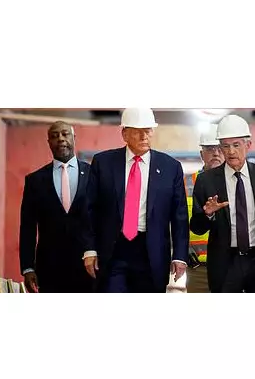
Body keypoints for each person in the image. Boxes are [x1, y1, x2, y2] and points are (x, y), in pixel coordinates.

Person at [80, 108, 189, 293]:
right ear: (124, 134)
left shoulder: (171, 168)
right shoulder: (103, 163)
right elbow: (90, 209)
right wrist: (89, 249)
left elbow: (179, 215)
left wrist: (179, 255)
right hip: (113, 250)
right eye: (138, 131)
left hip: (152, 253)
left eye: (148, 130)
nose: (144, 136)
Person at [190, 114, 255, 293]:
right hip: (225, 261)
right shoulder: (206, 180)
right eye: (225, 146)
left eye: (236, 145)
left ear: (248, 145)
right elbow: (197, 228)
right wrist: (208, 214)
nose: (230, 151)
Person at [19, 121, 94, 292]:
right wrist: (28, 268)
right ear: (49, 143)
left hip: (89, 266)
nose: (60, 139)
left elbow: (104, 218)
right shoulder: (35, 181)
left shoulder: (94, 174)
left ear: (74, 138)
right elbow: (28, 227)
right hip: (49, 269)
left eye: (65, 134)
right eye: (54, 136)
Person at [184, 124, 225, 293]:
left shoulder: (237, 182)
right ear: (202, 154)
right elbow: (174, 223)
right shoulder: (185, 184)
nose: (216, 153)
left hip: (230, 265)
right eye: (210, 149)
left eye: (220, 148)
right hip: (198, 268)